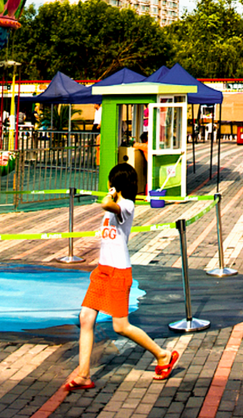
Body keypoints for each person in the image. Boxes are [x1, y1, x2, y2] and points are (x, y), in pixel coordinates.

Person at [64, 162, 179, 391]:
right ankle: (84, 375)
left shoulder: (126, 206)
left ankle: (163, 355)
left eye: (110, 181)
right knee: (86, 318)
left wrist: (112, 194)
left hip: (118, 272)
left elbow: (106, 204)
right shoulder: (117, 204)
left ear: (115, 185)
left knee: (121, 326)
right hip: (102, 271)